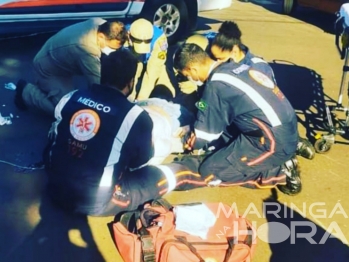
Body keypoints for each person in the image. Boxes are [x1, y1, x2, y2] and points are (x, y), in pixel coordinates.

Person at [43, 49, 202, 216]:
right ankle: (208, 171)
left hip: (54, 188)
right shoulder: (135, 117)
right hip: (96, 201)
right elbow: (140, 164)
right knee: (171, 173)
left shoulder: (71, 97)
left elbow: (54, 135)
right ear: (131, 82)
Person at [173, 43, 302, 196]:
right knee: (222, 137)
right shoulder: (232, 66)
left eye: (185, 75)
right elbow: (212, 110)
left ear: (192, 69)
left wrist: (190, 138)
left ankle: (279, 171)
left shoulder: (216, 86)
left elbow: (203, 137)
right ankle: (275, 157)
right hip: (284, 128)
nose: (188, 79)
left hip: (273, 143)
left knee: (210, 171)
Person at [180, 21, 316, 160]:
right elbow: (204, 102)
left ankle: (291, 150)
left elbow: (269, 106)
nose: (214, 62)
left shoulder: (257, 67)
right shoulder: (214, 71)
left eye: (218, 58)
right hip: (228, 116)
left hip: (260, 126)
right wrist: (200, 112)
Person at [15, 18, 128, 115]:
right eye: (111, 48)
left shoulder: (101, 24)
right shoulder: (88, 50)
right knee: (66, 110)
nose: (113, 51)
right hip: (48, 68)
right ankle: (27, 92)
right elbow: (96, 86)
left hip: (61, 59)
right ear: (102, 37)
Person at [125, 18, 177, 101]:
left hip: (153, 60)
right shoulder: (123, 34)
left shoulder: (160, 39)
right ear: (129, 36)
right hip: (131, 58)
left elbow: (153, 70)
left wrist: (141, 100)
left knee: (165, 92)